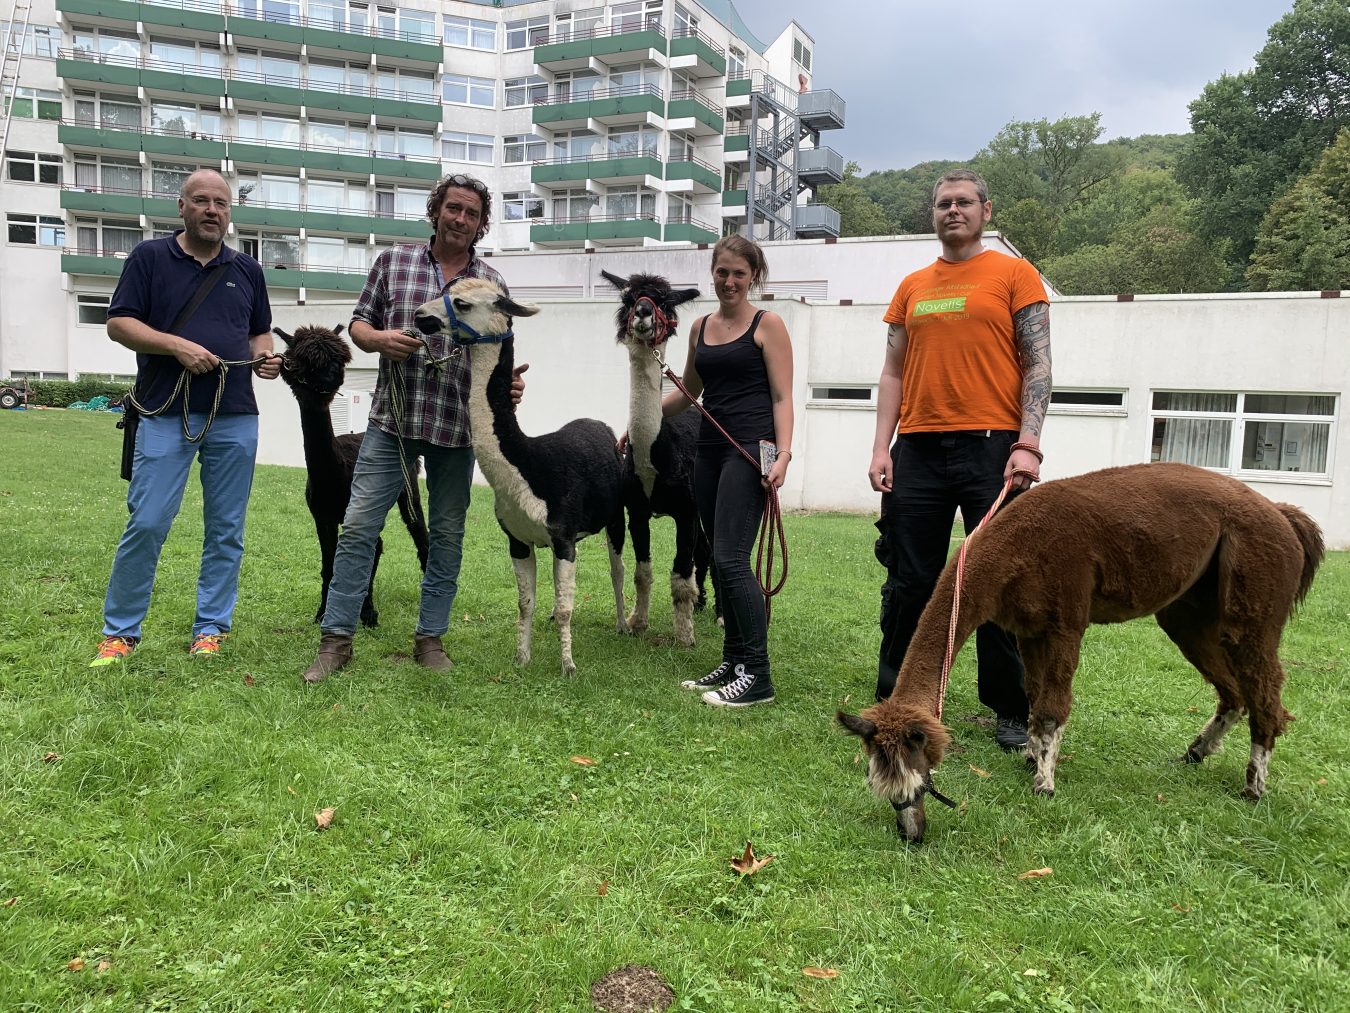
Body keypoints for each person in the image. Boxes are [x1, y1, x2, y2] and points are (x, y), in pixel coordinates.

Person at [301, 173, 524, 683]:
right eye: (453, 208)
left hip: (456, 430)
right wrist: (378, 340)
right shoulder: (393, 262)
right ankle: (336, 641)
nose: (461, 219)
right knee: (358, 525)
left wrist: (507, 388)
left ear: (481, 223)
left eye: (471, 213)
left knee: (447, 534)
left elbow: (499, 354)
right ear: (436, 210)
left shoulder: (492, 284)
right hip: (392, 422)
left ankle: (430, 638)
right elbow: (358, 324)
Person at [867, 167, 1052, 750]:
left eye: (964, 202)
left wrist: (1028, 443)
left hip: (994, 448)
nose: (953, 210)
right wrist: (881, 446)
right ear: (933, 213)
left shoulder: (1015, 275)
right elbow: (893, 370)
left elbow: (1039, 365)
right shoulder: (911, 286)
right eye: (943, 203)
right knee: (909, 582)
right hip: (917, 449)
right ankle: (898, 698)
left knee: (995, 582)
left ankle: (1010, 709)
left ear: (986, 211)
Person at [91, 169, 280, 666]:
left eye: (221, 203)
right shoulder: (149, 258)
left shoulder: (249, 270)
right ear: (182, 207)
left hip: (235, 414)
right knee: (149, 521)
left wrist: (266, 357)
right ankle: (120, 632)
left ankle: (210, 628)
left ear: (229, 212)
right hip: (163, 412)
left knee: (226, 529)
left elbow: (259, 331)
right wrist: (176, 346)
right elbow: (119, 323)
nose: (212, 210)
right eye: (201, 201)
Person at [661, 236, 794, 707]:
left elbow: (782, 397)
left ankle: (757, 675)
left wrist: (783, 454)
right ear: (712, 273)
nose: (730, 281)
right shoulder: (700, 328)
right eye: (722, 272)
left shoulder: (767, 325)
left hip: (748, 450)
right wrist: (641, 417)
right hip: (708, 450)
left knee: (733, 560)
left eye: (739, 273)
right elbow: (687, 393)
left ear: (752, 276)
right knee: (718, 557)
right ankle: (734, 660)